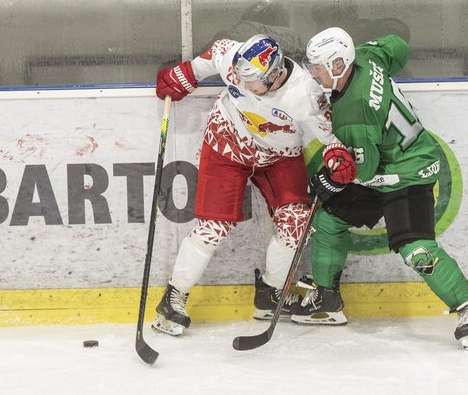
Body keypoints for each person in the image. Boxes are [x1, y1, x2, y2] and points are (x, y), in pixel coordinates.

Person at [290, 27, 468, 349]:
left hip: (408, 171)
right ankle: (327, 299)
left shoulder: (353, 111)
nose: (313, 74)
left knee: (417, 250)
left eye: (318, 67)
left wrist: (330, 179)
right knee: (328, 220)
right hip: (383, 162)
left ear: (339, 65)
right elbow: (397, 46)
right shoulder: (367, 55)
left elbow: (363, 169)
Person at [152, 34, 356, 336]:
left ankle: (270, 294)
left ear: (274, 75)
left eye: (253, 83)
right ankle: (173, 297)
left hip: (279, 155)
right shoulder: (235, 60)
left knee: (296, 224)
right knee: (212, 227)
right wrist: (186, 74)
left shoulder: (306, 97)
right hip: (227, 143)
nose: (240, 84)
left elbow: (331, 142)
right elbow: (214, 53)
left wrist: (338, 158)